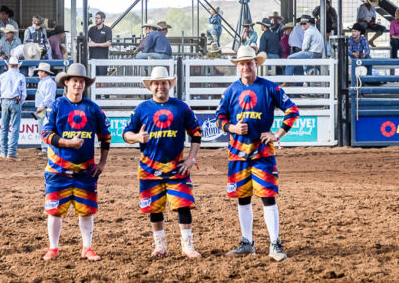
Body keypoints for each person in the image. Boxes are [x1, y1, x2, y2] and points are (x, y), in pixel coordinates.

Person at [215, 46, 299, 262]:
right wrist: (232, 128)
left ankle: (274, 243)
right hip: (237, 153)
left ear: (256, 64)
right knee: (242, 198)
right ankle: (246, 242)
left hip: (263, 152)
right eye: (242, 64)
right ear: (238, 67)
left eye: (249, 63)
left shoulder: (270, 88)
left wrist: (278, 134)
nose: (245, 67)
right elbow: (219, 118)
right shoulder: (230, 91)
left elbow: (292, 110)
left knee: (268, 197)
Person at [122, 66, 203, 258]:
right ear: (150, 86)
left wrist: (192, 158)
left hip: (177, 167)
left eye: (164, 83)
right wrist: (137, 137)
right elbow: (126, 134)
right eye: (156, 83)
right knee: (154, 208)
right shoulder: (142, 109)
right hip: (149, 168)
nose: (160, 87)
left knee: (183, 205)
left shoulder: (181, 107)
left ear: (169, 85)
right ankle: (160, 246)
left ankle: (187, 246)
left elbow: (197, 133)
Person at [40, 63, 111, 262]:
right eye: (75, 81)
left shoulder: (93, 109)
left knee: (87, 211)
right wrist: (67, 143)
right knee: (54, 211)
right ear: (67, 83)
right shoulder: (56, 106)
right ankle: (53, 248)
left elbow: (106, 136)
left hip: (86, 172)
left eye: (81, 82)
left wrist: (102, 163)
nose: (78, 85)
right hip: (58, 170)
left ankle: (87, 247)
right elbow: (45, 134)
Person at [0, 56, 27, 159]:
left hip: (5, 100)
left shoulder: (2, 76)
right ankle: (11, 152)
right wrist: (20, 103)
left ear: (8, 65)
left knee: (4, 127)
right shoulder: (21, 76)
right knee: (14, 127)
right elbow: (24, 94)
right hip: (15, 101)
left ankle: (3, 152)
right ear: (17, 66)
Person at [34, 62, 58, 156]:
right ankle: (45, 147)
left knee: (45, 127)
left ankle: (46, 148)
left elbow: (50, 97)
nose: (38, 73)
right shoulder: (43, 82)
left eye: (39, 71)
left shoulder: (49, 83)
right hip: (43, 108)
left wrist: (41, 106)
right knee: (42, 127)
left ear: (44, 72)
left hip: (46, 108)